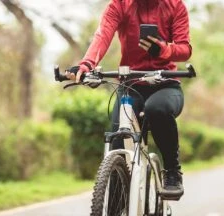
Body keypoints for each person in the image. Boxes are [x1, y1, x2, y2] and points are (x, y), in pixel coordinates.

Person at [66, 0, 192, 200]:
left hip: (165, 85)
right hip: (130, 86)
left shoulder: (175, 5)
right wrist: (87, 64)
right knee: (118, 138)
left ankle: (172, 171)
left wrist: (163, 50)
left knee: (156, 109)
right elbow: (103, 35)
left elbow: (184, 49)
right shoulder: (119, 5)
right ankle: (116, 203)